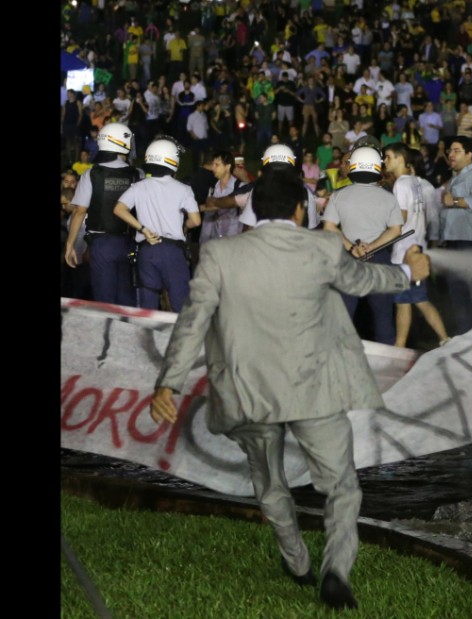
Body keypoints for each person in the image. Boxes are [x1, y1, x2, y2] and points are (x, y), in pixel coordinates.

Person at [150, 171, 431, 611]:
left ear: (252, 208)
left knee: (269, 482)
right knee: (342, 485)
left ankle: (296, 561)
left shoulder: (220, 253)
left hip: (248, 391)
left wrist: (168, 383)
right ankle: (335, 571)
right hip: (314, 387)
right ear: (301, 211)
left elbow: (193, 320)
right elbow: (363, 282)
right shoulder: (320, 246)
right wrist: (407, 273)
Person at [322, 146, 404, 345]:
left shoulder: (338, 195)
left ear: (352, 168)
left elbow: (329, 227)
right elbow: (396, 230)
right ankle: (390, 368)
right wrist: (372, 247)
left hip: (348, 260)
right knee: (383, 319)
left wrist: (352, 248)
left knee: (343, 318)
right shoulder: (388, 197)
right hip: (379, 260)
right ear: (377, 168)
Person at [112, 138, 201, 311]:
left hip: (147, 250)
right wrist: (185, 225)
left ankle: (147, 338)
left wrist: (143, 229)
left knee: (148, 307)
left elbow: (118, 209)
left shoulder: (138, 187)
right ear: (173, 161)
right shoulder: (183, 189)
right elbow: (196, 221)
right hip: (173, 252)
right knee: (180, 305)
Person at [64, 122, 143, 307]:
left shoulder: (91, 174)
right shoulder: (137, 174)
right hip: (129, 242)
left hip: (101, 244)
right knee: (127, 299)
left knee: (104, 301)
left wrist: (70, 245)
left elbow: (79, 212)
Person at [383, 142, 450, 348]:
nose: (385, 161)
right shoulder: (417, 183)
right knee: (416, 301)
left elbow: (400, 218)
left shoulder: (401, 184)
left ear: (400, 159)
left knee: (404, 302)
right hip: (417, 248)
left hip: (404, 253)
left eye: (388, 157)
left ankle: (400, 346)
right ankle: (444, 339)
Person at [439, 136, 472, 334]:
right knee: (458, 295)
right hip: (456, 239)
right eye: (450, 151)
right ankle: (465, 336)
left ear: (469, 154)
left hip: (468, 240)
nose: (450, 155)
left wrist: (453, 201)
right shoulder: (458, 176)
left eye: (456, 151)